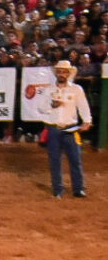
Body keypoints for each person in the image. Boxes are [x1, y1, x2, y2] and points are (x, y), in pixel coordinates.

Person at [44, 59, 92, 199]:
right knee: (54, 160)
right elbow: (40, 107)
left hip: (71, 128)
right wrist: (51, 106)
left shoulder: (76, 89)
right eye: (59, 71)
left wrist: (87, 121)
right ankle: (58, 188)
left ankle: (78, 188)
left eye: (64, 72)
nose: (62, 74)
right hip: (54, 128)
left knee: (75, 159)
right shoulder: (49, 90)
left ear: (69, 73)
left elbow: (83, 106)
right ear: (56, 73)